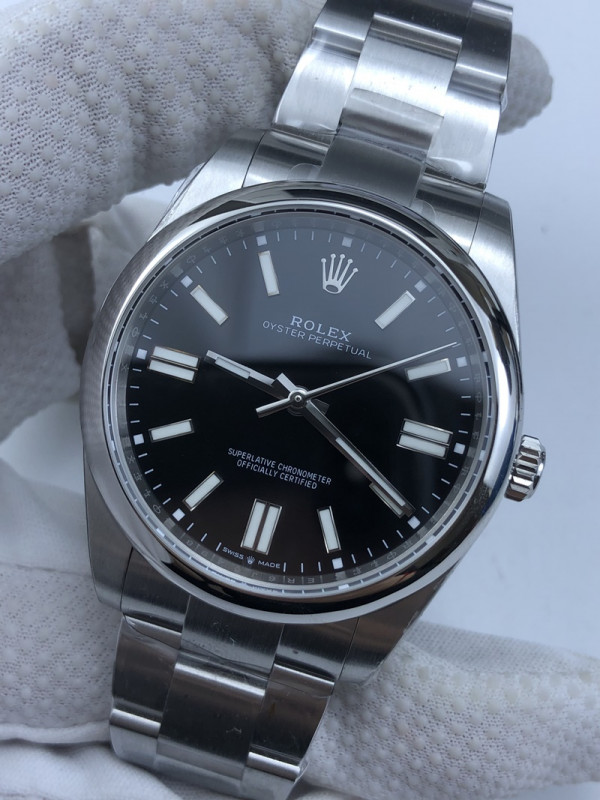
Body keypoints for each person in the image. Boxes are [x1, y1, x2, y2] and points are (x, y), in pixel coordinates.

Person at [1, 1, 598, 799]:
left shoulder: (464, 283)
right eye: (294, 385)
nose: (299, 390)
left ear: (509, 466)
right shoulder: (239, 208)